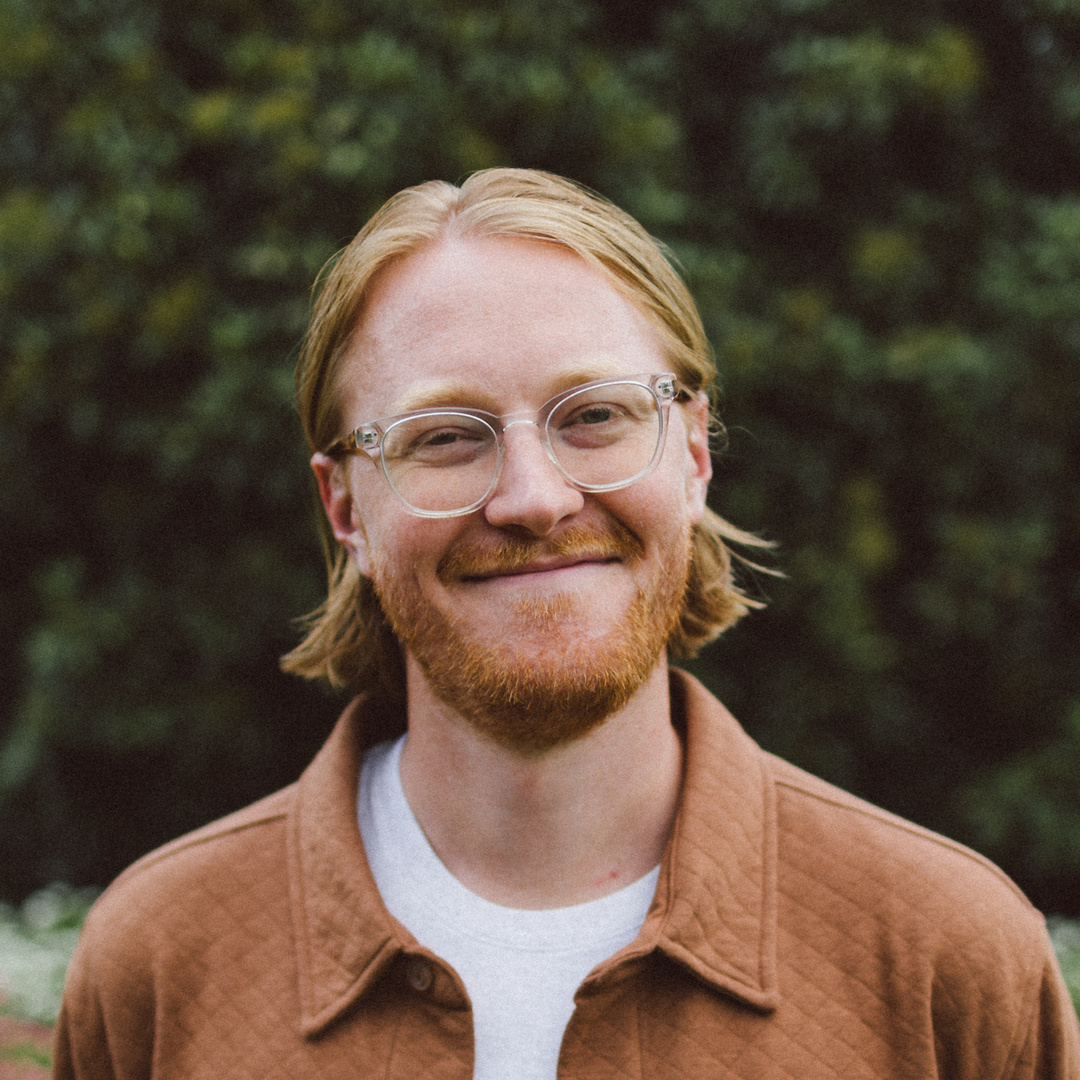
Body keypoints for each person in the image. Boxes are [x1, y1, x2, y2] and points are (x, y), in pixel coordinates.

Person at [54, 169, 1079, 1080]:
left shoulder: (947, 958)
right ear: (345, 508)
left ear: (693, 453)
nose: (535, 499)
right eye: (444, 436)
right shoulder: (159, 963)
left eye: (593, 416)